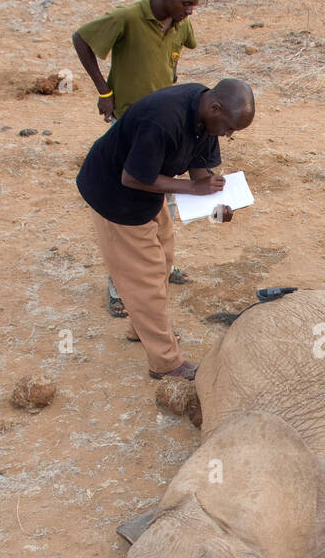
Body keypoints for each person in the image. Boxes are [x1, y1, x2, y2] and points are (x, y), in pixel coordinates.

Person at [76, 79, 255, 381]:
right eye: (228, 128)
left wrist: (217, 201)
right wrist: (190, 187)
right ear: (215, 107)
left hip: (149, 193)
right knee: (144, 278)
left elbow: (199, 169)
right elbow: (131, 178)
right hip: (115, 197)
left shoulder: (205, 114)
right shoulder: (162, 120)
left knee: (163, 259)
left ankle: (142, 329)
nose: (228, 135)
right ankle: (166, 363)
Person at [73, 0, 202, 317]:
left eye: (194, 5)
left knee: (163, 204)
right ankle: (120, 289)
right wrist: (105, 90)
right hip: (130, 123)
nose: (190, 11)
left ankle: (162, 265)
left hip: (166, 127)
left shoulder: (180, 25)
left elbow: (176, 53)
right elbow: (81, 39)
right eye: (186, 3)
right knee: (128, 207)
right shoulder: (128, 18)